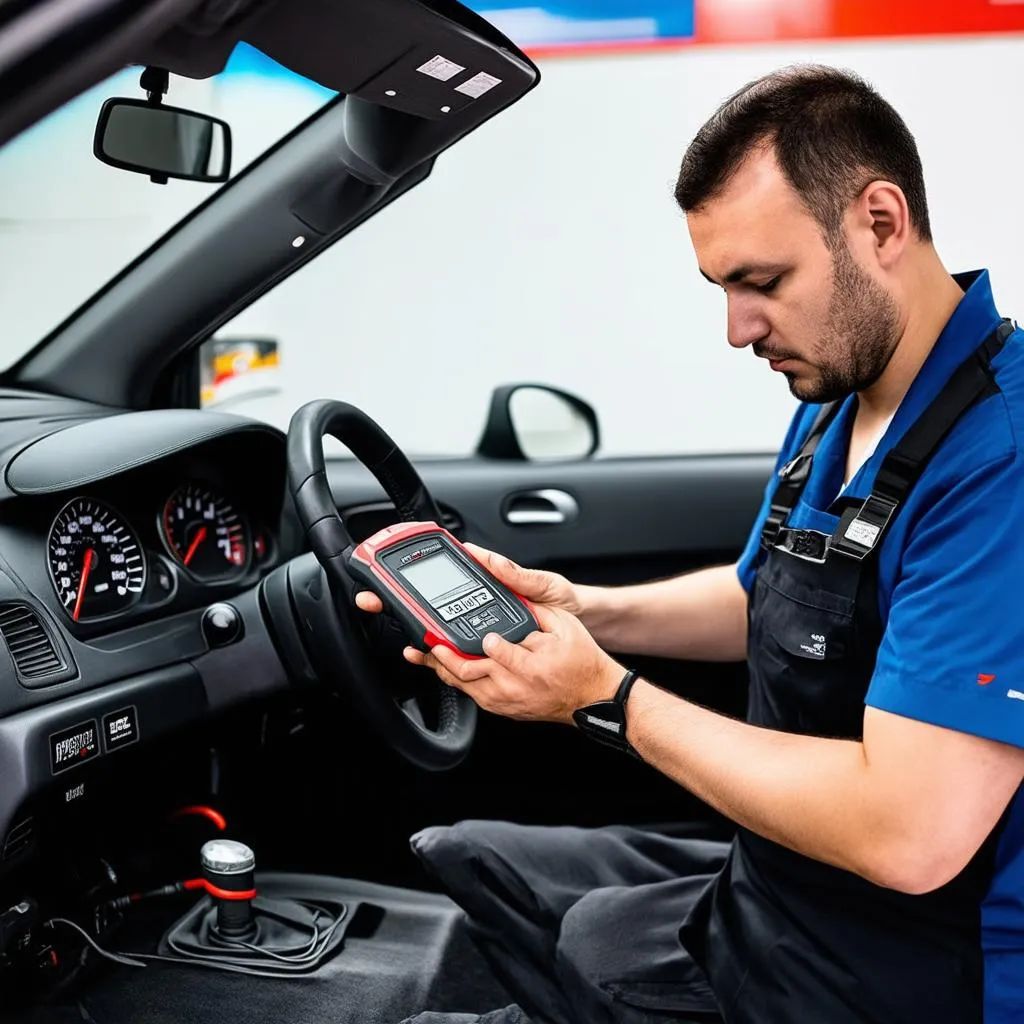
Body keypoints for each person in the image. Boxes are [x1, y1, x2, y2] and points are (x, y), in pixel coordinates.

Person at [357, 65, 1024, 1024]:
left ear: (881, 224)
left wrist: (604, 699)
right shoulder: (845, 392)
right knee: (475, 863)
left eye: (762, 283)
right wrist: (589, 611)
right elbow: (770, 598)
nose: (736, 329)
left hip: (901, 976)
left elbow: (909, 834)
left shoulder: (997, 461)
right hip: (780, 896)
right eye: (720, 287)